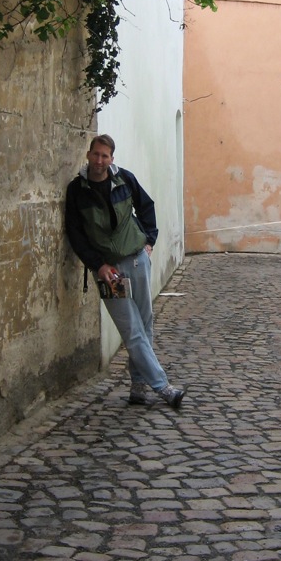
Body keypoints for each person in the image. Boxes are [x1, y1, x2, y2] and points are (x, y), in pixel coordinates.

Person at [65, 134, 184, 409]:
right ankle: (163, 387)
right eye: (95, 154)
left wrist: (149, 241)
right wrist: (98, 265)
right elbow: (76, 234)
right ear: (88, 155)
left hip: (137, 262)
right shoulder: (77, 190)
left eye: (105, 156)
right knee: (131, 330)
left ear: (111, 159)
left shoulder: (124, 180)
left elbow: (146, 207)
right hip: (109, 273)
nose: (99, 160)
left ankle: (138, 386)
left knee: (144, 323)